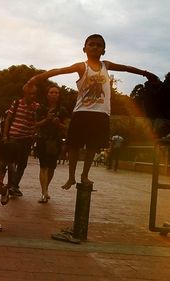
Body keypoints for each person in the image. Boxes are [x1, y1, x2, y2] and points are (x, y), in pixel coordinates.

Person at [25, 34, 158, 189]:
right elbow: (59, 70)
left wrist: (145, 73)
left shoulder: (105, 66)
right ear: (84, 49)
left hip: (101, 113)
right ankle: (71, 177)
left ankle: (85, 175)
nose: (95, 47)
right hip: (82, 111)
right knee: (74, 145)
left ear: (103, 51)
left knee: (93, 146)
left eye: (99, 45)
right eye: (92, 44)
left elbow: (126, 68)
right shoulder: (82, 66)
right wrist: (36, 78)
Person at [2, 85, 40, 197]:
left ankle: (13, 185)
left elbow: (36, 122)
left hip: (27, 138)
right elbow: (8, 119)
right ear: (25, 93)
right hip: (14, 136)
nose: (32, 96)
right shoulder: (17, 103)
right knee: (12, 162)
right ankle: (12, 185)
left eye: (34, 94)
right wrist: (5, 135)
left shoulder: (36, 106)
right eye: (30, 93)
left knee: (22, 164)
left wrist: (33, 133)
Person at [35, 86, 69, 203]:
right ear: (47, 94)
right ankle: (44, 192)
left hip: (56, 141)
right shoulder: (41, 108)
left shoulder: (62, 110)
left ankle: (46, 188)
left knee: (52, 167)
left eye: (56, 92)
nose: (54, 94)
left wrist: (58, 124)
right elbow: (35, 124)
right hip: (42, 140)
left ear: (59, 95)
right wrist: (46, 120)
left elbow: (67, 127)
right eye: (51, 92)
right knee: (43, 166)